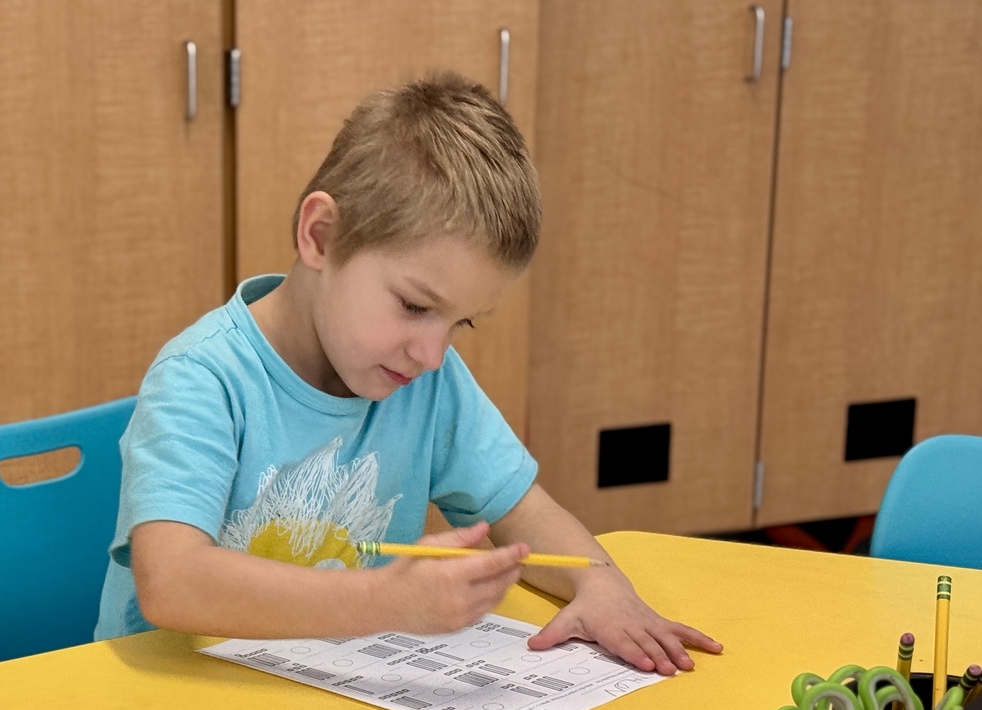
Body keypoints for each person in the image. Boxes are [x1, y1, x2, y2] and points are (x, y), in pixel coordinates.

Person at [95, 71, 723, 676]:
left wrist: (601, 582)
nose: (432, 353)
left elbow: (520, 508)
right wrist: (386, 602)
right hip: (175, 709)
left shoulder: (423, 379)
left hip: (330, 701)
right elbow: (171, 583)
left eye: (459, 324)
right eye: (416, 306)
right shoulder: (203, 379)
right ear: (321, 236)